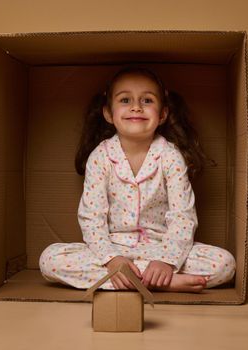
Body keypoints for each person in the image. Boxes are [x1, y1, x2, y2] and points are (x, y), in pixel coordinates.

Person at [39, 66, 236, 292]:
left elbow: (183, 216)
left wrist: (167, 261)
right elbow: (92, 219)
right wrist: (111, 259)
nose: (136, 107)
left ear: (162, 114)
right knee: (49, 260)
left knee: (225, 264)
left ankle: (146, 279)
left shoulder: (171, 157)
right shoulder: (100, 157)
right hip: (113, 249)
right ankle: (162, 284)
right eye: (125, 100)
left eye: (147, 100)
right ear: (108, 114)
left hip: (161, 248)